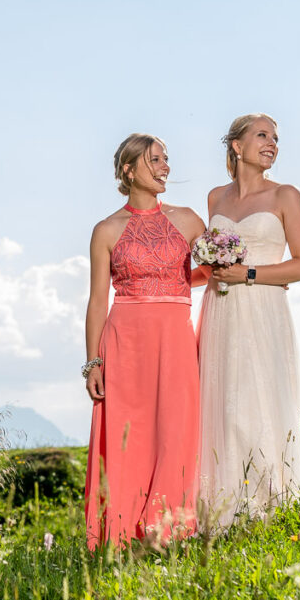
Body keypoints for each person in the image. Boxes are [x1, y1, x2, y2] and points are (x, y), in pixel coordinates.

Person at [197, 113, 300, 529]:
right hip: (220, 312)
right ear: (236, 145)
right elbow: (209, 262)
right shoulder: (215, 198)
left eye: (275, 137)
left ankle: (277, 508)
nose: (272, 142)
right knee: (224, 407)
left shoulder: (285, 195)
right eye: (262, 135)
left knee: (264, 402)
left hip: (264, 312)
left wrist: (249, 274)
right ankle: (227, 511)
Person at [83, 133, 207, 549]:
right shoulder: (105, 230)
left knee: (177, 430)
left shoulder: (189, 220)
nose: (165, 167)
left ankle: (168, 530)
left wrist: (175, 286)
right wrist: (92, 363)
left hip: (174, 336)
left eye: (166, 159)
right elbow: (98, 301)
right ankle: (121, 533)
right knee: (129, 435)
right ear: (128, 169)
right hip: (125, 341)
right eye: (155, 160)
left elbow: (209, 272)